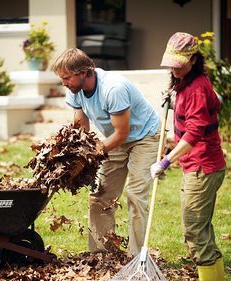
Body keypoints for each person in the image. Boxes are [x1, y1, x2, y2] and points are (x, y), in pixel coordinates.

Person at [53, 48, 160, 256]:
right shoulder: (74, 89)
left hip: (144, 137)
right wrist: (75, 155)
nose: (64, 83)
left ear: (83, 72)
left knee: (136, 196)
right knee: (99, 196)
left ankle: (136, 257)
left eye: (66, 78)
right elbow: (81, 128)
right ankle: (102, 254)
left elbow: (122, 133)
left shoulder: (113, 88)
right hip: (115, 138)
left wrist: (91, 156)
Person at [150, 32, 226, 281]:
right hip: (202, 165)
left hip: (203, 166)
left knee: (193, 229)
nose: (173, 68)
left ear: (193, 60)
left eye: (179, 64)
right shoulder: (186, 84)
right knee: (201, 227)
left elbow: (193, 134)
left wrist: (166, 160)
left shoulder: (196, 88)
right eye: (170, 63)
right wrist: (171, 98)